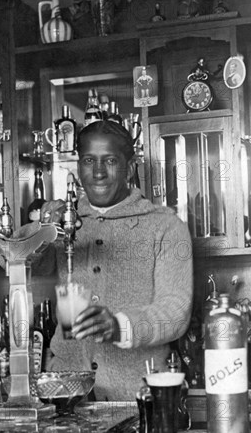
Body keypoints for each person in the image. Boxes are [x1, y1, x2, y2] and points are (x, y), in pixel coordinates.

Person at [30, 120, 193, 400]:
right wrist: (40, 232)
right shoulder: (64, 223)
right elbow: (22, 268)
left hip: (141, 397)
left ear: (130, 168)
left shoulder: (165, 226)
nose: (98, 172)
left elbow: (175, 313)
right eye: (89, 160)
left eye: (110, 161)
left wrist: (119, 326)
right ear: (78, 167)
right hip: (65, 396)